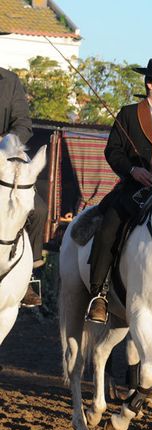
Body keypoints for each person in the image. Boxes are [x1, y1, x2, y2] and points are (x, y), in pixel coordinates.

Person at [85, 58, 152, 323]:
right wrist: (132, 170)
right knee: (109, 226)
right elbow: (113, 151)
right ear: (150, 84)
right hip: (131, 191)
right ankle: (99, 294)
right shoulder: (128, 114)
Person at [0, 66, 46, 307]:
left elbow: (23, 124)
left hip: (4, 162)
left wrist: (7, 142)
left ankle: (28, 276)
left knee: (38, 210)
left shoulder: (10, 81)